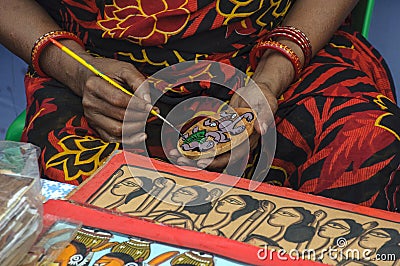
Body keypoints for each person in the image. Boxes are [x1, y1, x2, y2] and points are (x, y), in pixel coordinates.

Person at [0, 0, 399, 211]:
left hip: (274, 52)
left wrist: (272, 77)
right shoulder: (88, 73)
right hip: (99, 73)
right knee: (78, 208)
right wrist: (77, 69)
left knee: (361, 142)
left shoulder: (275, 66)